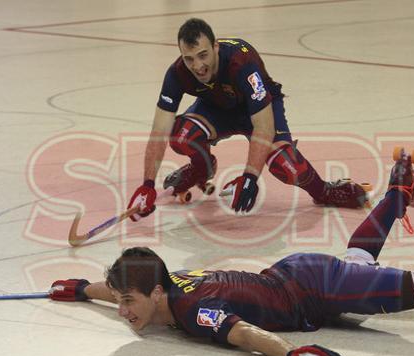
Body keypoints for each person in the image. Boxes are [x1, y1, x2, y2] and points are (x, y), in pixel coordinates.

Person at [52, 144, 414, 356]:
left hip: (314, 289)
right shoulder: (166, 282)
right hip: (301, 275)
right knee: (358, 261)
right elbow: (119, 290)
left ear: (157, 293)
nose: (123, 311)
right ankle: (397, 187)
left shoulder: (191, 311)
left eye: (128, 303)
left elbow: (244, 335)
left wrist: (291, 354)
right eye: (121, 302)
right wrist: (81, 289)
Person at [127, 18, 368, 217]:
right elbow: (159, 132)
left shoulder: (241, 62)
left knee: (288, 165)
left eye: (203, 55)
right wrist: (147, 184)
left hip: (262, 110)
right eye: (189, 58)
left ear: (216, 47)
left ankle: (324, 191)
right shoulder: (177, 73)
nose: (197, 66)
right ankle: (201, 169)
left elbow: (262, 127)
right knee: (180, 137)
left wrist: (250, 177)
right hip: (217, 110)